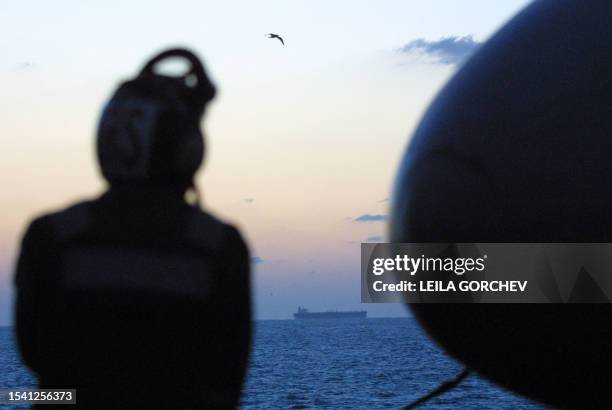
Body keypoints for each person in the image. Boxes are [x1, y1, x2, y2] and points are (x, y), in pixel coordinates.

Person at [14, 48, 251, 409]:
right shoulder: (218, 247)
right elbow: (226, 376)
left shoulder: (51, 237)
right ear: (188, 151)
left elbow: (34, 352)